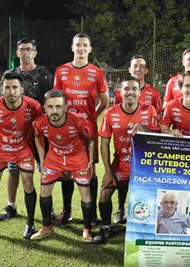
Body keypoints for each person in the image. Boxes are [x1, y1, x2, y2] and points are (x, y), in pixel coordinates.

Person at [0, 72, 42, 242]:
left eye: (15, 87)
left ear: (22, 89)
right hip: (0, 149)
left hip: (23, 149)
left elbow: (39, 127)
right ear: (2, 89)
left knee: (28, 182)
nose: (11, 91)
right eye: (7, 87)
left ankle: (30, 224)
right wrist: (5, 139)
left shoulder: (33, 106)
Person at [53, 33, 109, 226]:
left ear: (90, 49)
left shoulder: (97, 72)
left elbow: (105, 101)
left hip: (88, 130)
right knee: (66, 170)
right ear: (72, 47)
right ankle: (67, 212)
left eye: (85, 45)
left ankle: (91, 214)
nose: (81, 48)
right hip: (66, 130)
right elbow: (56, 100)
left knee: (90, 171)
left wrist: (93, 115)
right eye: (78, 45)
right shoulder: (61, 71)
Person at [0, 38, 54, 223]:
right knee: (13, 171)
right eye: (22, 49)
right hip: (18, 133)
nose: (25, 52)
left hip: (40, 133)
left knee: (45, 169)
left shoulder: (44, 74)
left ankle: (49, 208)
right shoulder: (11, 74)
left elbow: (50, 102)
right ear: (17, 53)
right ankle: (11, 205)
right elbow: (5, 100)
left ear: (35, 52)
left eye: (29, 49)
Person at [30, 90, 96, 242]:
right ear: (45, 107)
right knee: (44, 189)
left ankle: (87, 230)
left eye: (58, 106)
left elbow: (91, 140)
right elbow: (37, 138)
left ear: (66, 107)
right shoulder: (39, 123)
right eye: (50, 107)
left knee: (85, 191)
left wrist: (90, 160)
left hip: (77, 157)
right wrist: (42, 159)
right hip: (54, 157)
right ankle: (47, 226)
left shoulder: (79, 121)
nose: (54, 111)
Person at [98, 76, 160, 236]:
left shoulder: (149, 110)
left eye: (134, 89)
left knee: (151, 197)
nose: (130, 92)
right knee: (105, 193)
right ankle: (106, 227)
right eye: (126, 89)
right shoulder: (110, 113)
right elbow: (103, 143)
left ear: (139, 93)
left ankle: (147, 228)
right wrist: (108, 171)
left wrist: (143, 128)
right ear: (120, 92)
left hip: (144, 165)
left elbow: (158, 136)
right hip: (121, 164)